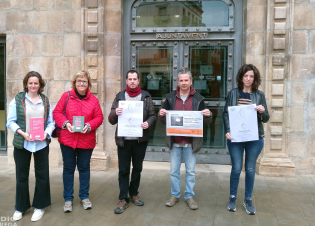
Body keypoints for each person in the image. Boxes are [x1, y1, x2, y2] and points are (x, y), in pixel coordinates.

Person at [159, 68, 212, 210]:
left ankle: (189, 195)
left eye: (186, 80)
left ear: (191, 81)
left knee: (191, 171)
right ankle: (175, 195)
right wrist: (161, 114)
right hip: (175, 142)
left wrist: (208, 115)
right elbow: (164, 121)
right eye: (181, 80)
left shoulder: (198, 98)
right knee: (173, 171)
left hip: (191, 143)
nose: (183, 83)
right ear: (178, 82)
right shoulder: (170, 97)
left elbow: (205, 123)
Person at [6, 71, 55, 222]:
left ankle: (39, 206)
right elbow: (10, 121)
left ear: (40, 85)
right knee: (21, 176)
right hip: (23, 143)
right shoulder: (18, 100)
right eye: (30, 83)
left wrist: (46, 133)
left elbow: (51, 123)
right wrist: (22, 133)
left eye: (36, 83)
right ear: (26, 84)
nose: (33, 85)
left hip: (41, 144)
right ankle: (20, 207)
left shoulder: (45, 101)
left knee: (42, 175)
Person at [53, 71, 103, 213]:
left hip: (86, 140)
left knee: (84, 168)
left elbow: (99, 117)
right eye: (79, 81)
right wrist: (66, 123)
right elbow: (57, 113)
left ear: (89, 84)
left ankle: (84, 197)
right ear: (74, 83)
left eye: (84, 81)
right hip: (68, 139)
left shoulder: (93, 100)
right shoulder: (66, 96)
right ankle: (68, 199)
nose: (81, 83)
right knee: (68, 169)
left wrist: (89, 126)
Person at [223, 64, 269, 215]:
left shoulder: (259, 95)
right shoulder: (233, 93)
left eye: (251, 76)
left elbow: (266, 118)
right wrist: (228, 131)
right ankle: (232, 197)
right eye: (246, 76)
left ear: (254, 78)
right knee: (236, 168)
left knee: (250, 169)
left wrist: (262, 112)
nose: (248, 79)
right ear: (241, 77)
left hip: (255, 138)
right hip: (235, 137)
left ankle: (248, 199)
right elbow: (226, 114)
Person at [108, 70, 156, 214]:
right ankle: (123, 198)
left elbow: (153, 116)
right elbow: (111, 119)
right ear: (126, 81)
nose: (133, 81)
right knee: (123, 170)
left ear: (139, 80)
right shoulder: (120, 96)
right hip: (124, 140)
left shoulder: (146, 96)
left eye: (135, 79)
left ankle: (134, 193)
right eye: (130, 79)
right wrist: (115, 113)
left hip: (140, 140)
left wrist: (148, 123)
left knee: (137, 168)